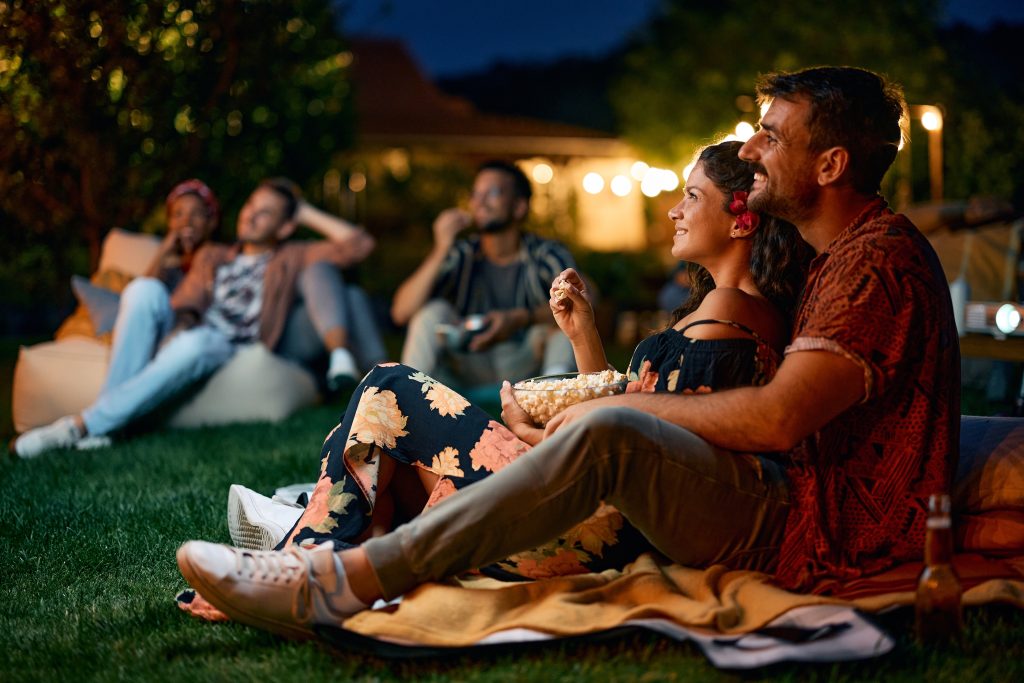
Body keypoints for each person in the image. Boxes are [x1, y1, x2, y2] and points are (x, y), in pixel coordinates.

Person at [176, 66, 959, 641]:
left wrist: (612, 401)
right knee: (560, 424)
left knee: (584, 426)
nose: (751, 149)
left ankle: (331, 573)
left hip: (806, 529)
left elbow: (781, 414)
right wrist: (599, 378)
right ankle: (315, 545)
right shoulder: (838, 259)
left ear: (830, 166)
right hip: (781, 503)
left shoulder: (876, 261)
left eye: (773, 135)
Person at [14, 178, 382, 458]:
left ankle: (78, 426)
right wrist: (179, 329)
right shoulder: (213, 255)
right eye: (250, 205)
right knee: (143, 291)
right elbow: (186, 301)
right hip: (194, 331)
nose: (250, 214)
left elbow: (360, 246)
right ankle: (105, 427)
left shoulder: (292, 254)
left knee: (199, 340)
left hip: (225, 343)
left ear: (285, 227)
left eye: (265, 211)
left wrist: (302, 211)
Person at [390, 160, 577, 391]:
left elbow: (583, 305)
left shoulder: (545, 255)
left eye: (493, 192)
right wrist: (441, 247)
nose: (479, 201)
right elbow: (401, 313)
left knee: (564, 324)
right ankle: (409, 401)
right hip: (467, 364)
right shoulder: (462, 254)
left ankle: (552, 401)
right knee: (432, 312)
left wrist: (519, 318)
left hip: (525, 367)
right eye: (476, 194)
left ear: (519, 207)